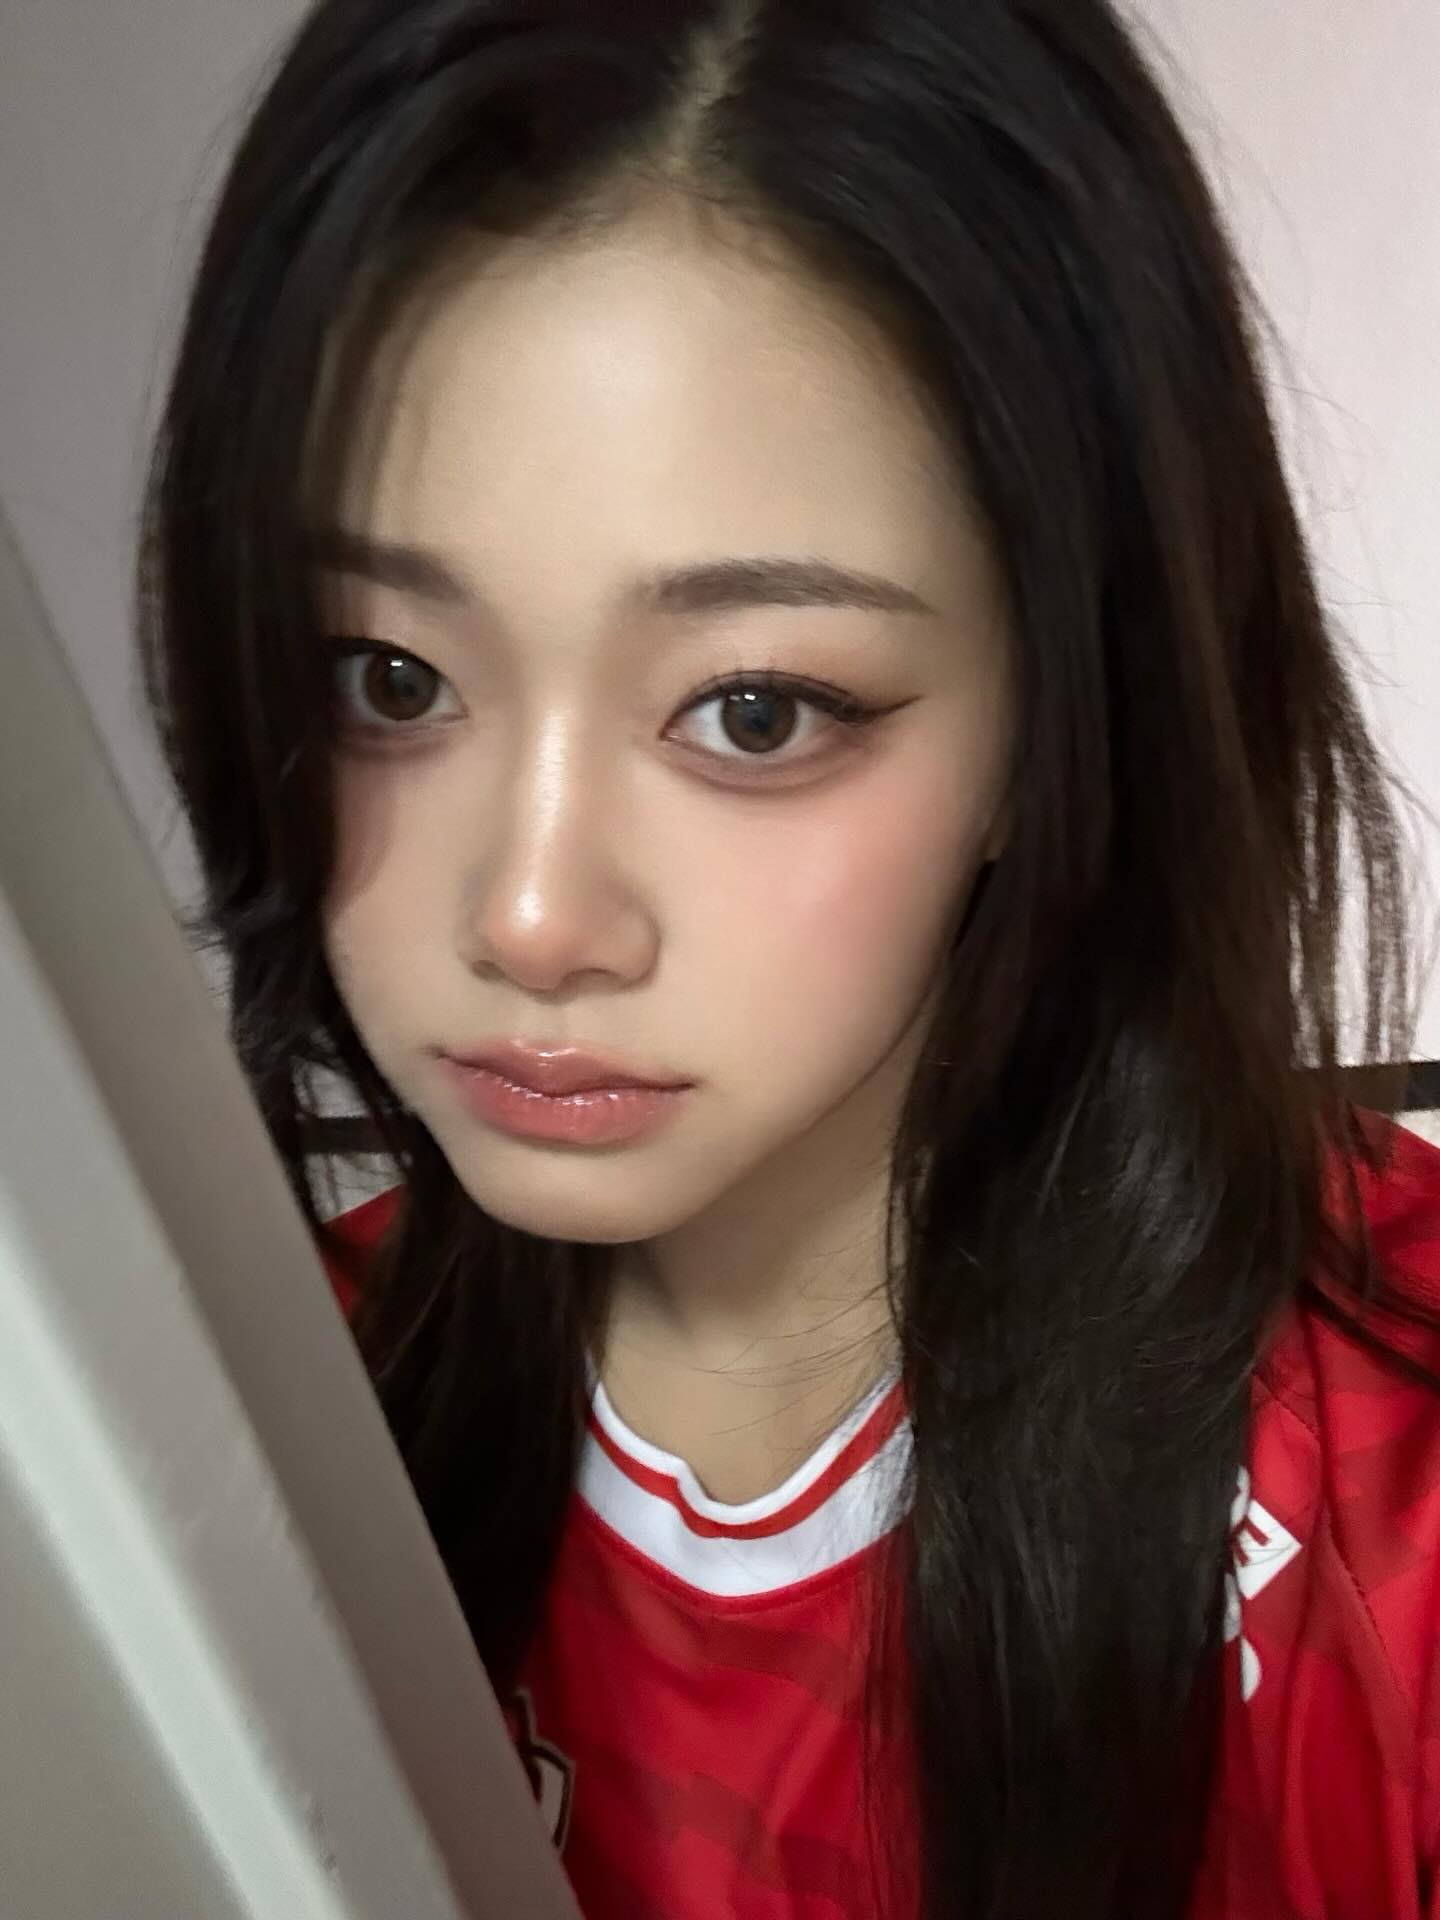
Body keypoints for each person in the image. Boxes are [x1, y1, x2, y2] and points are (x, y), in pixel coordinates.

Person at [137, 1, 1440, 1914]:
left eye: (754, 711)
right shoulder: (231, 1421)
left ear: (1061, 715)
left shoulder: (1396, 1502)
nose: (529, 916)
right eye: (388, 680)